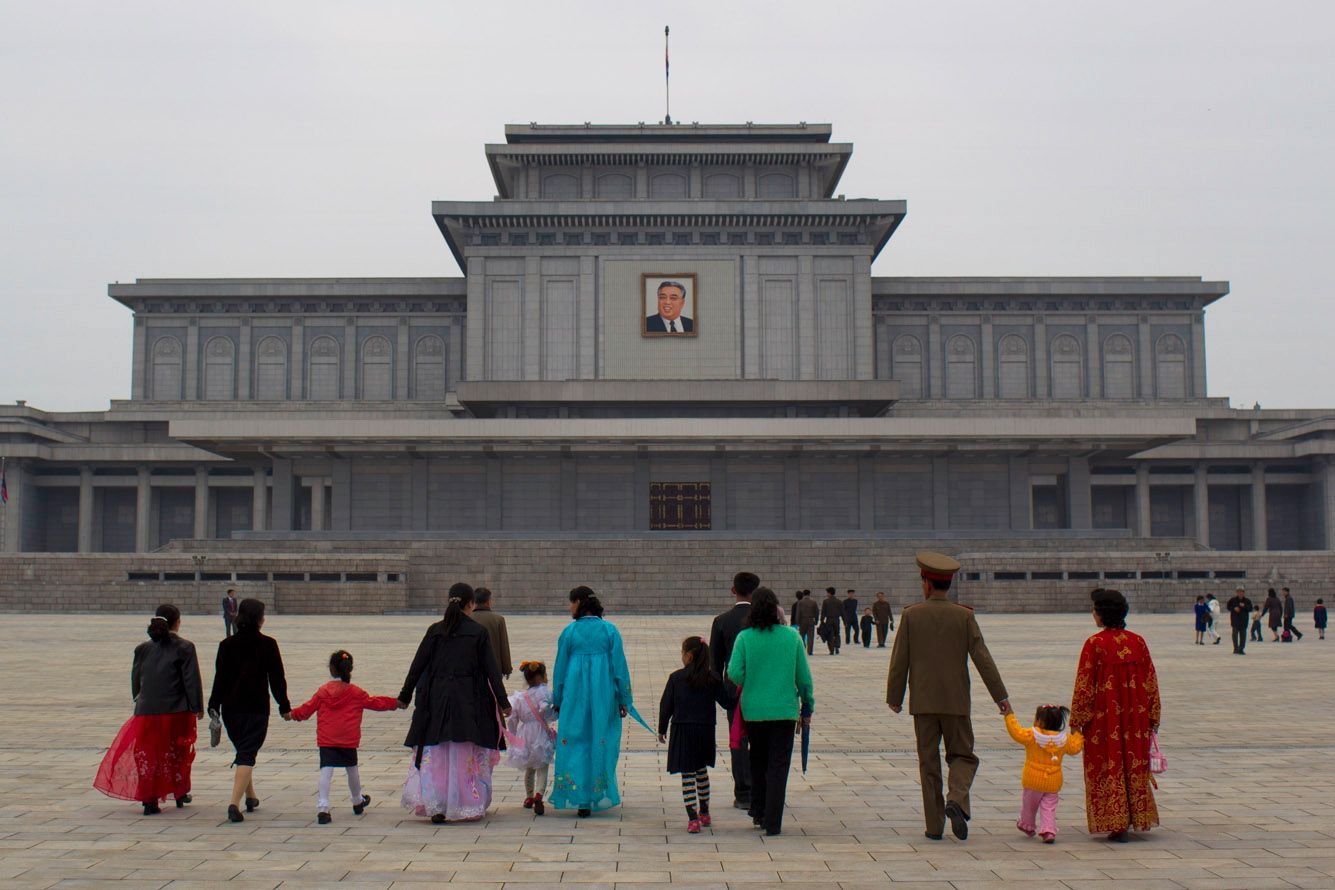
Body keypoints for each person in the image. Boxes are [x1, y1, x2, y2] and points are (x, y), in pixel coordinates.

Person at [886, 551, 1011, 842]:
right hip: (956, 702)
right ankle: (956, 798)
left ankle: (934, 827)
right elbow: (983, 658)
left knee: (928, 763)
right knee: (963, 756)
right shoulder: (964, 616)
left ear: (925, 583)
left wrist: (895, 696)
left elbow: (899, 660)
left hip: (924, 703)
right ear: (948, 585)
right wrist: (1000, 696)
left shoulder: (911, 615)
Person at [398, 582, 510, 824]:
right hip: (468, 701)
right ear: (470, 604)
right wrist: (503, 702)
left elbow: (417, 666)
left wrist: (405, 696)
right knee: (462, 751)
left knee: (438, 750)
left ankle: (437, 803)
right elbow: (492, 671)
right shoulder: (477, 633)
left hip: (436, 700)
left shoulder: (435, 630)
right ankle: (462, 803)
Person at [1071, 588, 1162, 842]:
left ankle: (1115, 822)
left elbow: (1084, 685)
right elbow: (1150, 681)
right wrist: (1153, 717)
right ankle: (1135, 818)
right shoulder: (1138, 641)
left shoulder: (1094, 644)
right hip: (1136, 719)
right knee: (1133, 766)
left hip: (1104, 721)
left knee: (1107, 766)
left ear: (1101, 614)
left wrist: (1077, 721)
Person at [94, 604, 203, 815]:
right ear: (177, 623)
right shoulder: (185, 647)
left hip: (146, 711)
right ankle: (179, 791)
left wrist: (139, 698)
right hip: (176, 711)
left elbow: (136, 679)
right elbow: (190, 680)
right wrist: (197, 706)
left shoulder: (142, 649)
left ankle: (149, 799)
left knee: (147, 753)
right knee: (176, 752)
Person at [550, 586, 646, 817]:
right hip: (603, 696)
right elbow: (620, 669)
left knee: (575, 740)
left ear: (580, 603)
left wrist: (558, 698)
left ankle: (579, 796)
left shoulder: (570, 632)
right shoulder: (609, 631)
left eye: (571, 602)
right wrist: (625, 699)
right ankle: (596, 792)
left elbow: (559, 669)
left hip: (574, 695)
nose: (569, 607)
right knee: (600, 740)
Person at [726, 587, 815, 836]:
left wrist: (751, 678)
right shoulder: (791, 637)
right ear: (777, 609)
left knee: (757, 760)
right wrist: (808, 703)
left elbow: (734, 673)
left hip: (754, 710)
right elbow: (804, 678)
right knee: (778, 765)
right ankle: (773, 821)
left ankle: (759, 812)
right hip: (784, 711)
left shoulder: (745, 637)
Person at [287, 649, 400, 824]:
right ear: (350, 669)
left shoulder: (323, 692)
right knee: (352, 770)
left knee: (326, 771)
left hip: (327, 738)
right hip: (348, 739)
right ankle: (357, 800)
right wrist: (395, 703)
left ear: (331, 669)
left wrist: (292, 714)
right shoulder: (355, 692)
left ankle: (323, 808)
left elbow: (306, 709)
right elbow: (375, 703)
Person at [208, 597, 291, 823]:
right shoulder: (268, 644)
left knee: (245, 752)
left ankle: (251, 796)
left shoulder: (226, 645)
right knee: (247, 754)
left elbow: (220, 678)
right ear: (259, 620)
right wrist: (284, 706)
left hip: (231, 710)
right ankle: (234, 803)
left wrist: (213, 705)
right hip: (255, 708)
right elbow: (277, 679)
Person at [659, 636, 733, 833]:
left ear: (689, 656)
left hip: (683, 730)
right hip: (705, 730)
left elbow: (666, 705)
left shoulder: (676, 678)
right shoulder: (712, 678)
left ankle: (692, 818)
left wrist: (661, 728)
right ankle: (705, 812)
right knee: (701, 771)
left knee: (687, 774)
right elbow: (727, 702)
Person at [709, 571, 759, 810]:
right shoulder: (768, 621)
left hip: (735, 691)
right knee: (764, 739)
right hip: (764, 687)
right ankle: (764, 788)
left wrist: (721, 695)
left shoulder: (722, 621)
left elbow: (715, 665)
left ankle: (743, 792)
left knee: (739, 738)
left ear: (733, 590)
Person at [1004, 704, 1083, 844]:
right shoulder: (1064, 740)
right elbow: (1076, 747)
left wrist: (1009, 715)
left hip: (1033, 780)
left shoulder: (1032, 735)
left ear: (1039, 721)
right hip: (1053, 782)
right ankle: (1048, 830)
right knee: (1049, 807)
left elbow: (1016, 732)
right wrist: (1077, 733)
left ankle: (1026, 825)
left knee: (1029, 805)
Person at [505, 660, 557, 816]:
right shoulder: (544, 692)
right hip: (540, 731)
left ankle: (528, 797)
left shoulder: (520, 697)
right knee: (542, 766)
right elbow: (548, 712)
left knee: (529, 767)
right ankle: (539, 795)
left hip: (525, 733)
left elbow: (512, 719)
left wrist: (513, 736)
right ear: (540, 678)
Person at [471, 587, 513, 680]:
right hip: (494, 668)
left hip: (471, 669)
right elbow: (504, 646)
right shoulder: (498, 619)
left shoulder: (468, 618)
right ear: (488, 602)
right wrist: (507, 669)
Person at [1226, 586, 1253, 655]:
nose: (1240, 593)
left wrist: (1244, 606)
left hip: (1244, 621)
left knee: (1243, 635)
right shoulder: (1233, 600)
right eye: (1238, 591)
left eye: (1241, 591)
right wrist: (1234, 608)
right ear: (1237, 592)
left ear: (1244, 592)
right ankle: (1236, 648)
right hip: (1235, 620)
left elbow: (1250, 609)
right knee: (1234, 635)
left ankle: (1241, 649)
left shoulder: (1247, 601)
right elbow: (1228, 607)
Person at [793, 589, 820, 655]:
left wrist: (798, 622)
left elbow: (798, 613)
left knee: (801, 635)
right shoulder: (813, 602)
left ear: (803, 594)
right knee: (810, 637)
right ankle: (810, 651)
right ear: (809, 594)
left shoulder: (800, 602)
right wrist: (816, 621)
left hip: (802, 621)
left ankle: (802, 649)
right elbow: (817, 612)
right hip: (811, 620)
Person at [819, 587, 842, 655]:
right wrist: (845, 621)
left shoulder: (826, 601)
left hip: (829, 620)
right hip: (837, 620)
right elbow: (843, 612)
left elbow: (823, 612)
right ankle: (837, 646)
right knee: (837, 633)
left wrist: (822, 620)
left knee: (830, 635)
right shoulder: (839, 601)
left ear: (829, 593)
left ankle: (831, 650)